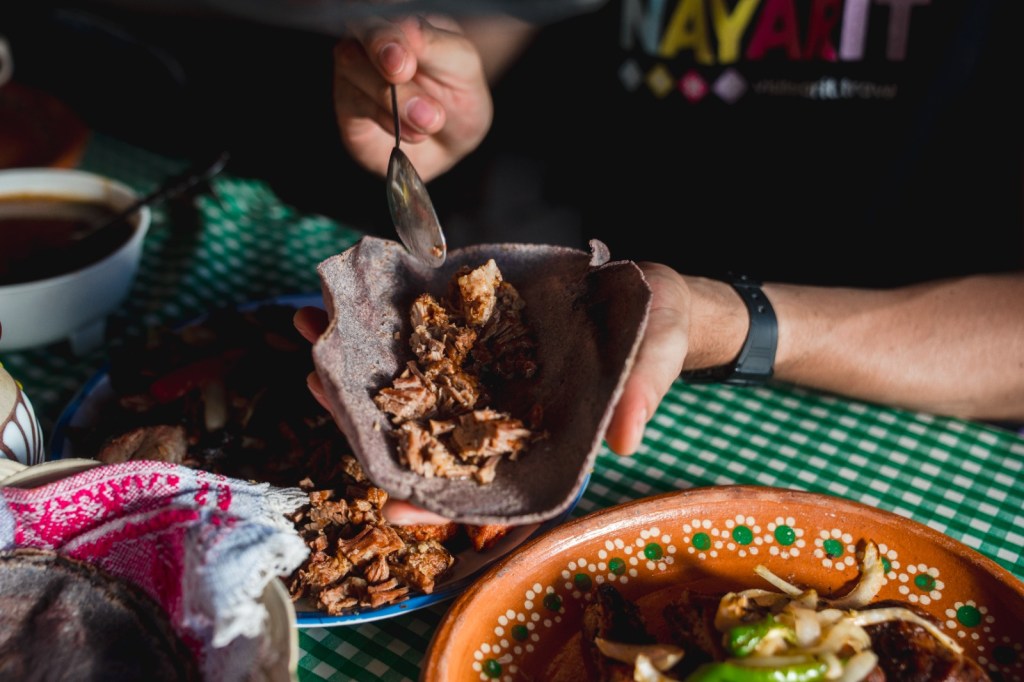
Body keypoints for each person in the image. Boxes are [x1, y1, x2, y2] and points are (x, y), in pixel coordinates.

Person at [296, 4, 1024, 520]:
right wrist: (442, 75)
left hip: (898, 412)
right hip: (568, 304)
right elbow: (512, 18)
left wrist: (731, 320)